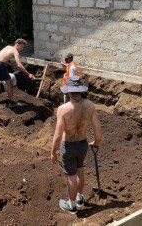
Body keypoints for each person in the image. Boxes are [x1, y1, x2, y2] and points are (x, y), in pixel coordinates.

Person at [51, 76, 102, 214]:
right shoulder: (90, 105)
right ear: (81, 91)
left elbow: (57, 135)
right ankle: (80, 198)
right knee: (80, 170)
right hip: (82, 145)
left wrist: (53, 152)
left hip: (68, 146)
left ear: (68, 92)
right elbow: (98, 130)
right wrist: (96, 143)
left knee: (71, 176)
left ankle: (72, 206)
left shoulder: (63, 109)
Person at [0, 38, 35, 107]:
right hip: (0, 65)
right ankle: (11, 102)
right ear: (17, 44)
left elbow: (0, 57)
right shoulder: (15, 51)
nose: (22, 49)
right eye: (22, 46)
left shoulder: (8, 47)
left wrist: (9, 64)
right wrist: (28, 74)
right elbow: (19, 65)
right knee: (9, 82)